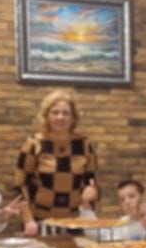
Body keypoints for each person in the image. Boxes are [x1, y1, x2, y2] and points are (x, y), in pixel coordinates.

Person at [15, 89, 99, 232]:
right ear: (46, 116)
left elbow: (92, 183)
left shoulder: (84, 144)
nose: (60, 117)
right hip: (39, 222)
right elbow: (20, 184)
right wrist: (27, 219)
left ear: (73, 117)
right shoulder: (34, 143)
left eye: (66, 113)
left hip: (76, 222)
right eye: (55, 112)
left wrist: (93, 194)